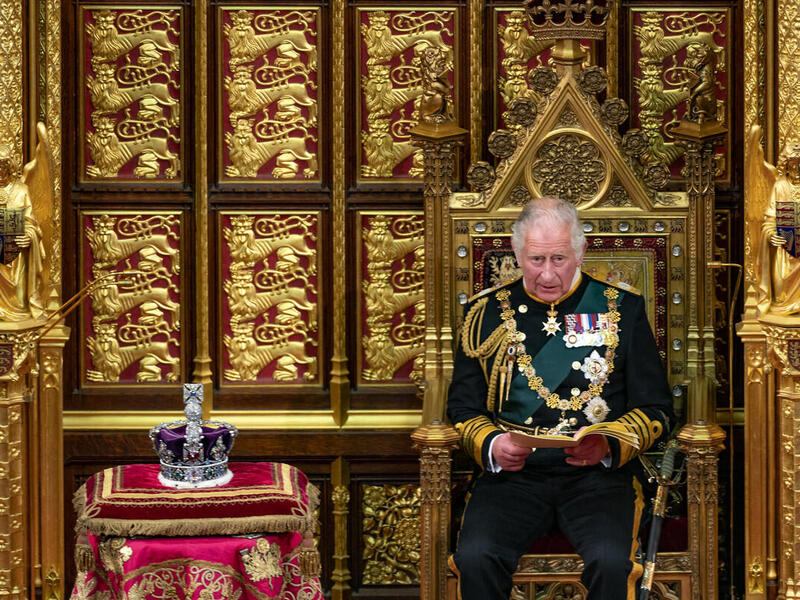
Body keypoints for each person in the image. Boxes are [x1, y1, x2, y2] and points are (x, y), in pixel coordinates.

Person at [447, 197, 674, 599]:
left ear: (581, 253)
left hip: (598, 479)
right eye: (535, 260)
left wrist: (607, 444)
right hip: (514, 479)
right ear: (517, 254)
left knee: (610, 561)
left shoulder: (622, 308)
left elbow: (657, 408)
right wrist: (495, 446)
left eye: (559, 259)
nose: (547, 274)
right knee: (476, 557)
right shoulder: (484, 314)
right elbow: (463, 408)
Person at [0, 144, 44, 320]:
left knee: (17, 299)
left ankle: (17, 308)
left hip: (15, 254)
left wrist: (28, 235)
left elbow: (32, 223)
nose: (0, 172)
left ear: (10, 167)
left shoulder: (21, 190)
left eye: (3, 167)